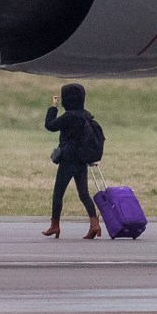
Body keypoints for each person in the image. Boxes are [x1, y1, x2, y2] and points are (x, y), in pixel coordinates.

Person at [42, 83, 100, 239]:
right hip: (81, 159)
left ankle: (55, 225)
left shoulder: (69, 116)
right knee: (84, 194)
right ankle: (94, 223)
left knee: (58, 193)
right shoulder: (85, 114)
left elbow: (50, 126)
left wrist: (53, 107)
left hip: (68, 159)